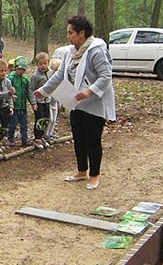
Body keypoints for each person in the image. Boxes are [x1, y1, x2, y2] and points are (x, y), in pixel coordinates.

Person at [35, 15, 116, 190]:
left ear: (82, 33)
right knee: (78, 137)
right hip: (75, 101)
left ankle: (94, 175)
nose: (68, 36)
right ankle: (82, 171)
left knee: (93, 140)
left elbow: (105, 76)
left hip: (94, 103)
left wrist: (88, 91)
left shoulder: (97, 50)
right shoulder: (70, 53)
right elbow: (59, 75)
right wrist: (43, 91)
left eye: (71, 33)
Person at [8, 56, 35, 147]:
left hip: (22, 106)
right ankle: (10, 138)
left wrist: (32, 103)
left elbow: (28, 92)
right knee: (12, 123)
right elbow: (7, 90)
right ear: (15, 67)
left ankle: (24, 139)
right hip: (14, 106)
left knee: (24, 123)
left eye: (23, 69)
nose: (21, 71)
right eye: (19, 69)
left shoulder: (25, 79)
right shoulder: (11, 78)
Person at [30, 52, 54, 149]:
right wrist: (33, 102)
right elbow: (31, 89)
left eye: (45, 63)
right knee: (39, 120)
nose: (43, 66)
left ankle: (43, 136)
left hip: (47, 101)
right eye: (41, 64)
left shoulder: (50, 73)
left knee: (46, 119)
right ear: (37, 64)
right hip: (39, 102)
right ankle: (37, 138)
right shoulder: (35, 76)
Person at [46, 58, 63, 141]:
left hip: (55, 102)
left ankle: (51, 133)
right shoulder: (50, 78)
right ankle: (46, 134)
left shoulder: (61, 79)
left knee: (54, 120)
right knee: (50, 119)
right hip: (49, 101)